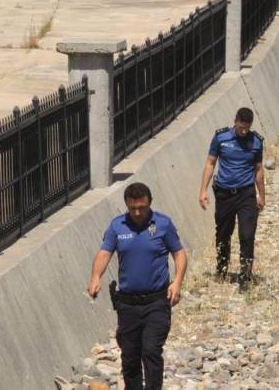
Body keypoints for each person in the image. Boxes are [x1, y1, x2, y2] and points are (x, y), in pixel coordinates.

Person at [87, 182, 187, 390]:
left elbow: (179, 254)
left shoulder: (163, 224)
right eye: (133, 208)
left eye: (142, 207)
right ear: (126, 204)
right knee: (130, 356)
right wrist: (96, 277)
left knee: (151, 350)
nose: (138, 212)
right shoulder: (117, 226)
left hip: (157, 302)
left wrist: (177, 282)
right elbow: (104, 253)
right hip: (128, 304)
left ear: (150, 202)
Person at [198, 107, 265, 292]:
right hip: (224, 194)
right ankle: (222, 268)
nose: (243, 131)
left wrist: (262, 195)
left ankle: (245, 276)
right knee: (223, 233)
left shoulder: (256, 142)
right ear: (235, 120)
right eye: (241, 126)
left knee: (247, 235)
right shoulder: (221, 138)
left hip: (246, 194)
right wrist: (203, 190)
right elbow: (210, 164)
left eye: (247, 128)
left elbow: (258, 170)